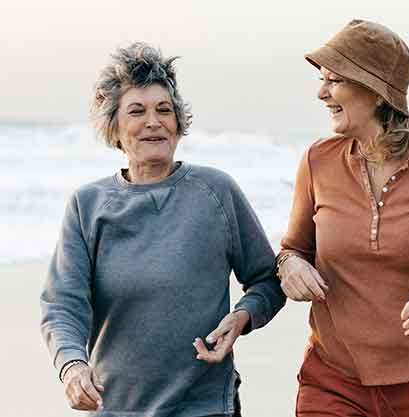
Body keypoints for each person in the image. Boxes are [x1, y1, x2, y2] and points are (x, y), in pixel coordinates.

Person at [40, 42, 285, 417]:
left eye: (164, 110)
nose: (153, 121)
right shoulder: (87, 205)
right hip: (116, 406)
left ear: (178, 122)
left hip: (206, 406)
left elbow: (268, 280)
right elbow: (63, 304)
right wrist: (72, 366)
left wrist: (243, 317)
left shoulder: (216, 191)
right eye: (137, 111)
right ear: (115, 128)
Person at [278, 20, 409, 417]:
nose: (322, 93)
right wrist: (290, 267)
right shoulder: (317, 161)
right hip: (331, 381)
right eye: (322, 80)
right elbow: (293, 249)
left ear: (374, 91)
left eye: (334, 80)